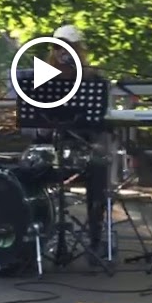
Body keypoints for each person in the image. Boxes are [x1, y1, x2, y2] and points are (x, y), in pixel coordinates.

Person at [32, 25, 111, 253]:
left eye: (68, 47)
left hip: (81, 147)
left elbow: (98, 123)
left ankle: (95, 237)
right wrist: (41, 130)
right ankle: (31, 236)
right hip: (49, 148)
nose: (62, 52)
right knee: (23, 169)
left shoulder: (94, 81)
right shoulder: (42, 79)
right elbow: (32, 124)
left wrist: (91, 137)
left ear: (78, 50)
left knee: (99, 166)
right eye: (57, 47)